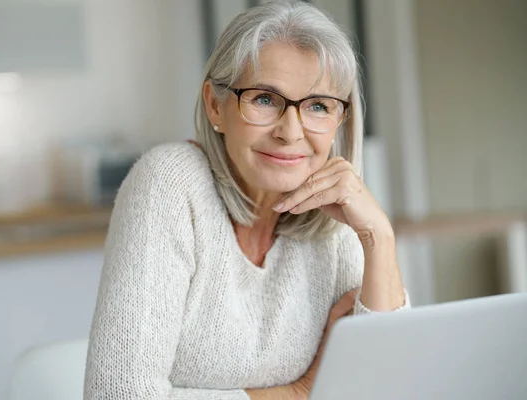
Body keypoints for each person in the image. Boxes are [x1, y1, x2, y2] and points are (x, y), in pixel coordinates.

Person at [84, 1, 410, 399]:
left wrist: (379, 237)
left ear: (340, 120)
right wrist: (298, 393)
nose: (291, 132)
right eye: (264, 99)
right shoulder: (169, 185)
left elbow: (389, 387)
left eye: (319, 106)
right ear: (215, 105)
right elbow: (116, 394)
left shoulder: (335, 217)